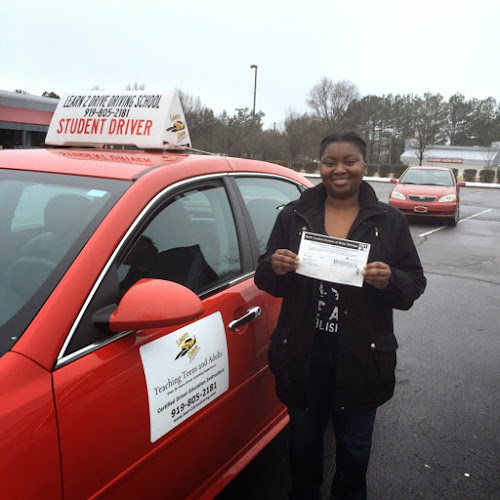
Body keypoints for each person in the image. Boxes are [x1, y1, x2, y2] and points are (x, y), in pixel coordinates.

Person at [254, 131, 426, 500]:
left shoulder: (389, 221)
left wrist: (389, 280)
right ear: (320, 167)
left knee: (354, 451)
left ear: (364, 166)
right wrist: (275, 266)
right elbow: (267, 278)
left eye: (349, 161)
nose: (339, 169)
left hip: (362, 355)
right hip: (303, 352)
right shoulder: (295, 215)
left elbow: (413, 284)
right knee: (302, 447)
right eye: (330, 162)